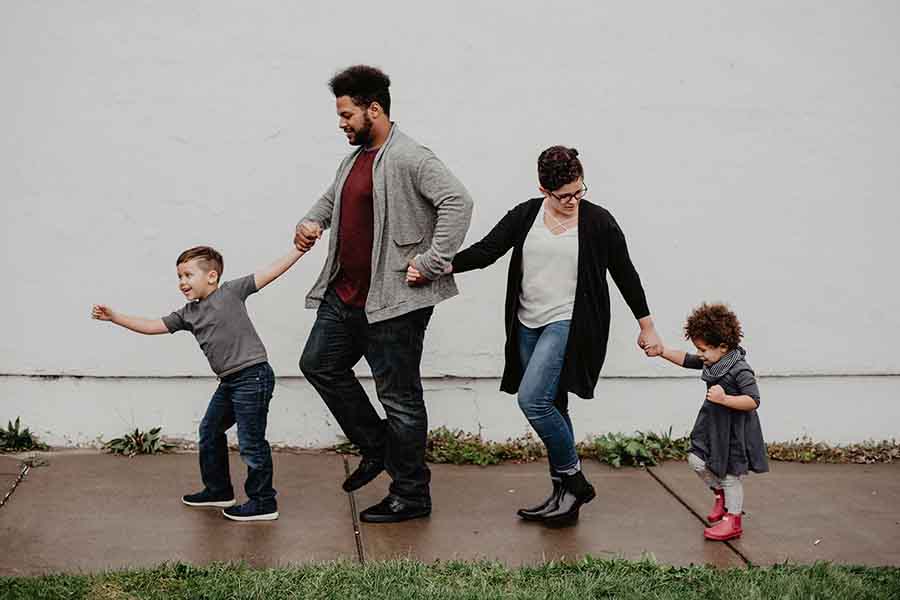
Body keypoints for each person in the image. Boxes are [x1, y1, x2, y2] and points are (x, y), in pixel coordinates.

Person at [409, 146, 662, 526]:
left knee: (534, 401)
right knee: (554, 405)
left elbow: (625, 273)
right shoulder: (527, 215)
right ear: (544, 190)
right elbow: (486, 251)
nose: (574, 200)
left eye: (580, 191)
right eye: (564, 196)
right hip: (527, 324)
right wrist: (438, 267)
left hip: (569, 323)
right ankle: (563, 497)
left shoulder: (598, 222)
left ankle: (574, 481)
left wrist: (647, 326)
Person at [294, 65, 473, 523]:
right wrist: (311, 221)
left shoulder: (411, 157)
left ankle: (411, 494)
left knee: (400, 398)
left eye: (347, 114)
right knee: (318, 364)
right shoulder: (354, 158)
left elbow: (458, 202)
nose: (341, 123)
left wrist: (431, 262)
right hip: (346, 294)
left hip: (394, 302)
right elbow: (333, 198)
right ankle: (378, 448)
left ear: (374, 109)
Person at [91, 244, 305, 521]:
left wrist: (299, 249)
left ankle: (263, 502)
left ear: (212, 277)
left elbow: (270, 272)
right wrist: (115, 317)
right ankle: (218, 490)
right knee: (210, 429)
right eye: (179, 277)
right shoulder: (187, 314)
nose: (182, 282)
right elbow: (152, 325)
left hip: (253, 376)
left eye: (188, 275)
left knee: (251, 442)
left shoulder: (231, 292)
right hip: (229, 381)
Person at [653, 302, 768, 541]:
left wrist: (725, 398)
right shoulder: (712, 361)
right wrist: (661, 350)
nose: (701, 355)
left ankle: (733, 520)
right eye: (699, 349)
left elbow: (753, 400)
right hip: (712, 425)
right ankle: (720, 494)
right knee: (696, 459)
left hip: (734, 430)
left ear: (723, 346)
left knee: (729, 475)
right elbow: (686, 359)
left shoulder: (740, 370)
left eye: (703, 349)